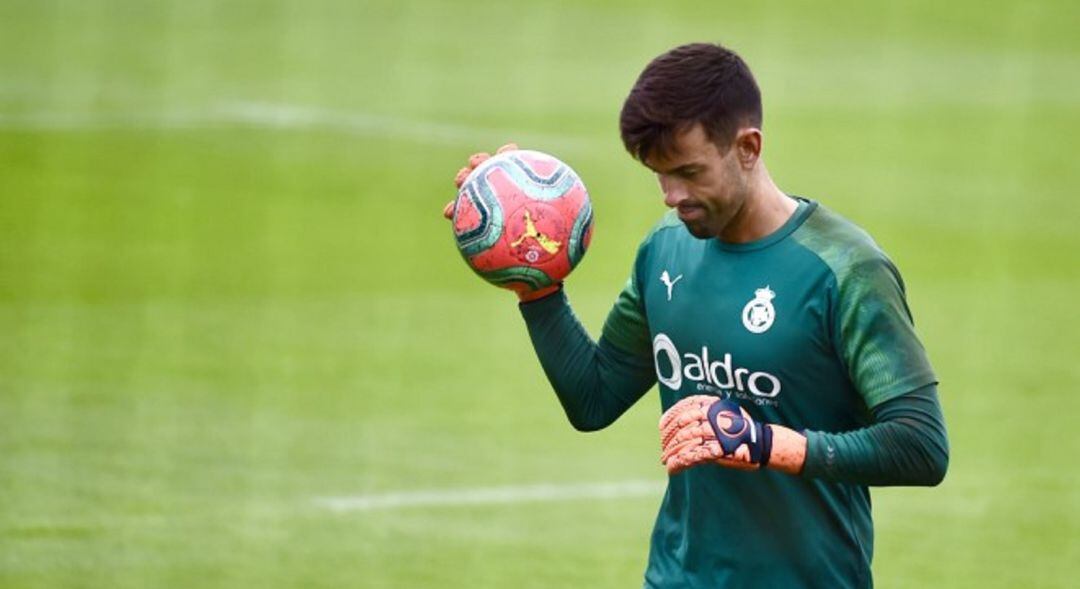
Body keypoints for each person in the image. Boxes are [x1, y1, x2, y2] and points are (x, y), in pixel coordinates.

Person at [448, 42, 948, 589]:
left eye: (688, 171)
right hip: (677, 577)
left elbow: (922, 445)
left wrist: (768, 444)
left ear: (748, 148)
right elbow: (594, 398)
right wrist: (534, 283)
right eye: (659, 174)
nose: (671, 196)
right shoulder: (666, 251)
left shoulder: (844, 269)